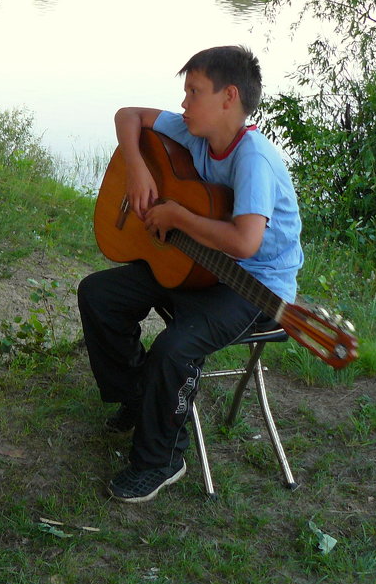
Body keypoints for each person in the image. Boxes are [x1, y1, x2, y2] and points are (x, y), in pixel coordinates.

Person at [78, 45, 303, 503]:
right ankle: (138, 397)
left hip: (251, 287)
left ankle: (161, 460)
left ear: (229, 97)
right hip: (196, 264)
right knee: (98, 294)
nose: (183, 103)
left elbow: (245, 243)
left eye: (193, 92)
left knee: (176, 347)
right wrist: (139, 169)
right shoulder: (194, 132)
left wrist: (177, 216)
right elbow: (128, 115)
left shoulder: (253, 159)